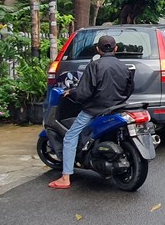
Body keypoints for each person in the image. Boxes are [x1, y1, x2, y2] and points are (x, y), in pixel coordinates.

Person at [48, 35, 133, 189]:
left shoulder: (94, 66)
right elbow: (129, 89)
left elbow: (83, 93)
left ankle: (65, 177)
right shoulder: (124, 67)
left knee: (70, 136)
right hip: (118, 108)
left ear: (97, 49)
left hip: (95, 109)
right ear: (115, 49)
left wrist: (71, 92)